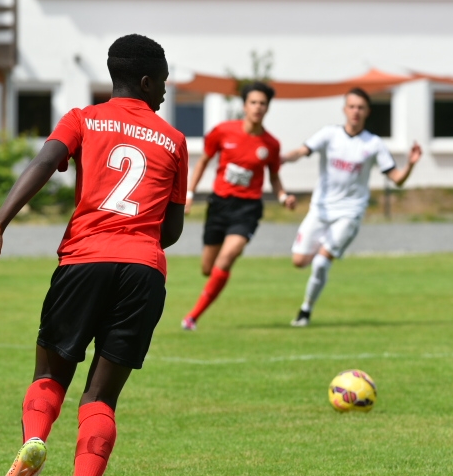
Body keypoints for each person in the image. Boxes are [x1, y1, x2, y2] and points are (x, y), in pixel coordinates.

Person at [0, 34, 187, 476]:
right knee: (102, 397)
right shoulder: (174, 140)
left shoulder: (82, 119)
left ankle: (36, 440)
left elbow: (43, 164)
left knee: (50, 374)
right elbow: (170, 231)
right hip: (144, 269)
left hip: (84, 260)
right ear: (146, 81)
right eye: (162, 85)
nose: (163, 94)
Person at [281, 87, 422, 326]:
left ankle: (305, 311)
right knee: (299, 261)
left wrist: (410, 164)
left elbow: (397, 179)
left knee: (321, 263)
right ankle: (324, 247)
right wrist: (283, 158)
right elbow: (302, 151)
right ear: (344, 109)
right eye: (352, 106)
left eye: (361, 107)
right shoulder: (329, 134)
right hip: (321, 209)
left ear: (367, 112)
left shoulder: (373, 144)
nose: (356, 111)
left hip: (350, 212)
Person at [180, 82, 295, 330]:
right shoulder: (222, 131)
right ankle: (210, 288)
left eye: (262, 103)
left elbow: (275, 177)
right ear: (244, 106)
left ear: (267, 108)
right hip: (219, 205)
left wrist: (283, 196)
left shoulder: (271, 144)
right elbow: (203, 162)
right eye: (253, 102)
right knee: (207, 268)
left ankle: (192, 318)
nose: (258, 107)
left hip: (248, 209)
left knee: (227, 257)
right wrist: (189, 194)